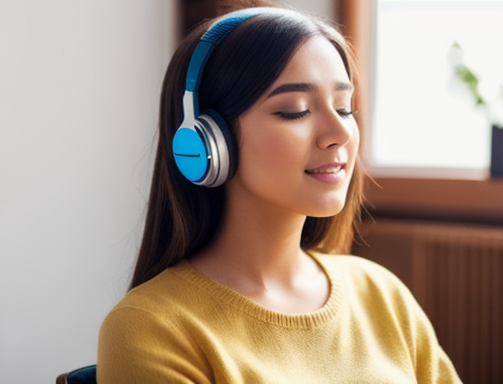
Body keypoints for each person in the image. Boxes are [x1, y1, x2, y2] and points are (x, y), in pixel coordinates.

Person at [97, 5, 462, 383]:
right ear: (209, 142)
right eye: (295, 111)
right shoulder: (151, 328)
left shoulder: (381, 293)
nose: (338, 132)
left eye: (344, 107)